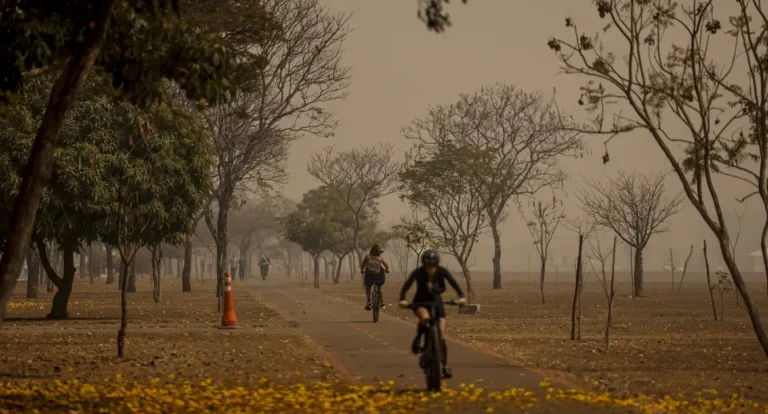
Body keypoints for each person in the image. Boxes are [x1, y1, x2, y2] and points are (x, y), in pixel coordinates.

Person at [398, 249, 466, 379]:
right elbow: (406, 286)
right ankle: (418, 339)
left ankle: (444, 366)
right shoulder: (418, 272)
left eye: (432, 267)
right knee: (425, 318)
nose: (430, 269)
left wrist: (461, 296)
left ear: (437, 264)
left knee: (441, 334)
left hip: (436, 303)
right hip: (421, 302)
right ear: (423, 264)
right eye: (427, 267)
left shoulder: (442, 271)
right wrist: (402, 299)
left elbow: (454, 284)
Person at [360, 244, 390, 310]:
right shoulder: (380, 258)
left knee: (368, 288)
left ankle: (369, 301)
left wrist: (362, 270)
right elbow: (386, 266)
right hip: (379, 275)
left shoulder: (367, 257)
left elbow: (363, 265)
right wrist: (387, 270)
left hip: (369, 274)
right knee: (380, 288)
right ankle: (382, 303)